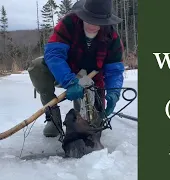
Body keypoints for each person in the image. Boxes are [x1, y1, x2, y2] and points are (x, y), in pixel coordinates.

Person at [27, 0, 125, 137]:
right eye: (89, 19)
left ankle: (84, 117)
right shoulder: (68, 23)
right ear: (82, 15)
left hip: (92, 80)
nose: (93, 24)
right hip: (64, 72)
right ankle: (53, 117)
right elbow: (54, 54)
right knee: (37, 66)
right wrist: (70, 81)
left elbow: (114, 71)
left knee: (91, 129)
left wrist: (114, 92)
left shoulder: (111, 36)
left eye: (98, 21)